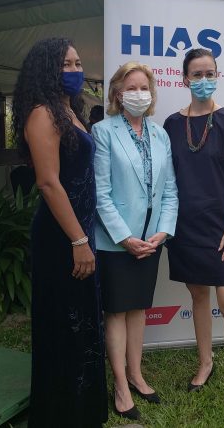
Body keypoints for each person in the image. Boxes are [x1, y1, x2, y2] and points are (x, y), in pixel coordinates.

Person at [12, 37, 108, 427]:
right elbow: (49, 183)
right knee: (63, 324)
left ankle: (83, 409)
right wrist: (79, 241)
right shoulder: (42, 114)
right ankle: (62, 414)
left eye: (78, 63)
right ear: (48, 70)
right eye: (66, 64)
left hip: (79, 233)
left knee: (82, 321)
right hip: (61, 237)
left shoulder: (69, 111)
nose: (75, 71)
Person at [163, 48, 224, 409]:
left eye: (208, 73)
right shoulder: (170, 124)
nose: (203, 80)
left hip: (222, 227)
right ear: (184, 79)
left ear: (218, 75)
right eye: (196, 74)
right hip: (186, 228)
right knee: (198, 296)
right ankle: (205, 363)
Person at [92, 62, 178, 421]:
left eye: (145, 88)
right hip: (116, 242)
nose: (139, 94)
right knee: (117, 311)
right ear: (117, 93)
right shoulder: (102, 132)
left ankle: (136, 374)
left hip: (151, 240)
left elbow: (170, 189)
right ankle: (121, 386)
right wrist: (124, 237)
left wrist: (163, 231)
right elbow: (100, 192)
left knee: (139, 309)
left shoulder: (160, 135)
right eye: (132, 87)